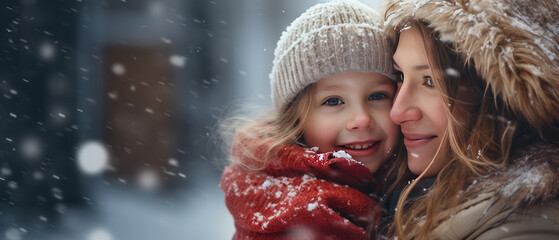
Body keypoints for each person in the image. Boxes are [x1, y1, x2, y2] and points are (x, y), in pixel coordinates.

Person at [219, 0, 401, 239]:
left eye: (377, 96)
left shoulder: (405, 181)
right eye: (333, 101)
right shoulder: (295, 214)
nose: (361, 119)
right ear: (297, 118)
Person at [378, 0, 559, 239]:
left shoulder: (525, 223)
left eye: (431, 81)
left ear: (497, 96)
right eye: (400, 75)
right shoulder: (393, 189)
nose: (397, 112)